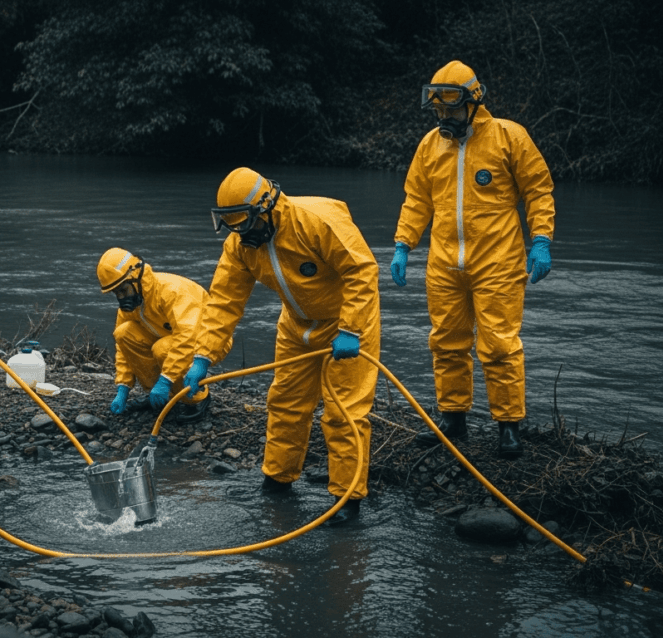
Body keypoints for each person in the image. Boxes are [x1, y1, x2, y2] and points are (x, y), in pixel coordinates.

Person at [185, 168, 381, 526]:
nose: (241, 234)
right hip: (296, 325)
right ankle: (278, 479)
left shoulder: (318, 222)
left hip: (346, 324)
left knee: (344, 413)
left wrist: (351, 329)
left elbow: (361, 271)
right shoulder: (242, 245)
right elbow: (224, 301)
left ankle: (347, 499)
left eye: (245, 225)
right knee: (285, 401)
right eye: (234, 227)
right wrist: (203, 356)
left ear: (266, 210)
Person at [389, 60, 556, 459]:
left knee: (499, 345)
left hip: (498, 260)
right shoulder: (431, 145)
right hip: (445, 262)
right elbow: (417, 199)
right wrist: (402, 244)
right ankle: (453, 418)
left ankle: (508, 426)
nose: (444, 116)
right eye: (439, 110)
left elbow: (538, 190)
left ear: (474, 101)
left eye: (451, 108)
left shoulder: (507, 137)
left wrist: (542, 239)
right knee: (447, 342)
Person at [97, 248, 224, 423]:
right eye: (116, 293)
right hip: (170, 337)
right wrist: (123, 387)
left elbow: (187, 336)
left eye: (123, 290)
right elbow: (123, 347)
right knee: (124, 333)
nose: (121, 297)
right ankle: (157, 397)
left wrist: (165, 380)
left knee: (162, 349)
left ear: (136, 277)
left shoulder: (172, 291)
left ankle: (195, 398)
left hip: (208, 341)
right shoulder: (135, 303)